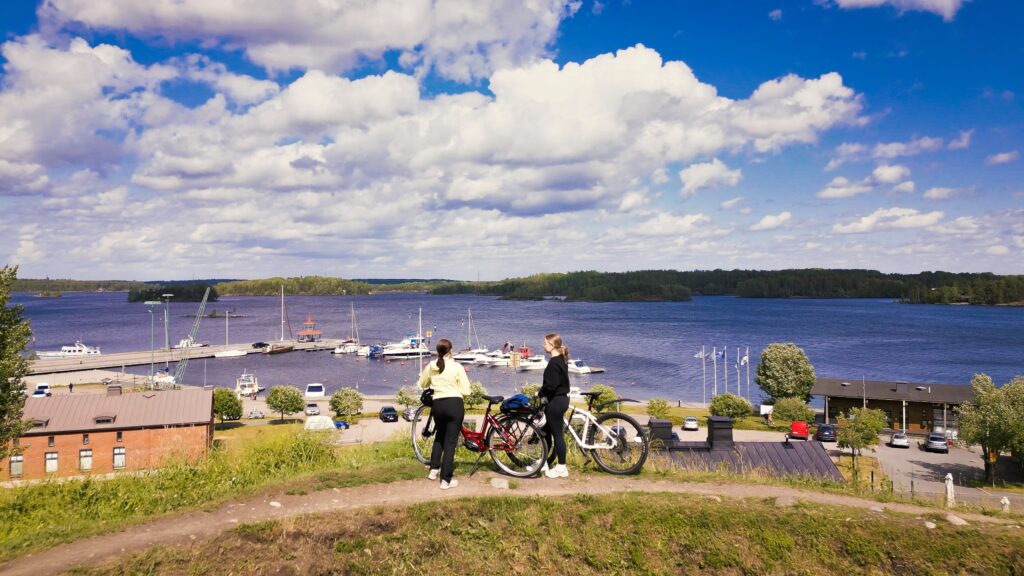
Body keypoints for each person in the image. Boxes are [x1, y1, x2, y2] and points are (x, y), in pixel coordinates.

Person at [417, 338, 472, 490]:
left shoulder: (432, 365)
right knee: (451, 442)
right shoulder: (457, 366)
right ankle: (446, 480)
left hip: (438, 405)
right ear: (451, 350)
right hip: (454, 404)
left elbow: (422, 384)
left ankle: (434, 469)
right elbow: (466, 390)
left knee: (440, 436)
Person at [539, 332, 571, 478]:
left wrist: (539, 393)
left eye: (545, 343)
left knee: (557, 434)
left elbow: (550, 386)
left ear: (552, 345)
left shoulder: (553, 362)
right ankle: (543, 462)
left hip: (556, 401)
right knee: (545, 431)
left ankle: (561, 467)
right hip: (561, 399)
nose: (543, 345)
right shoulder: (561, 360)